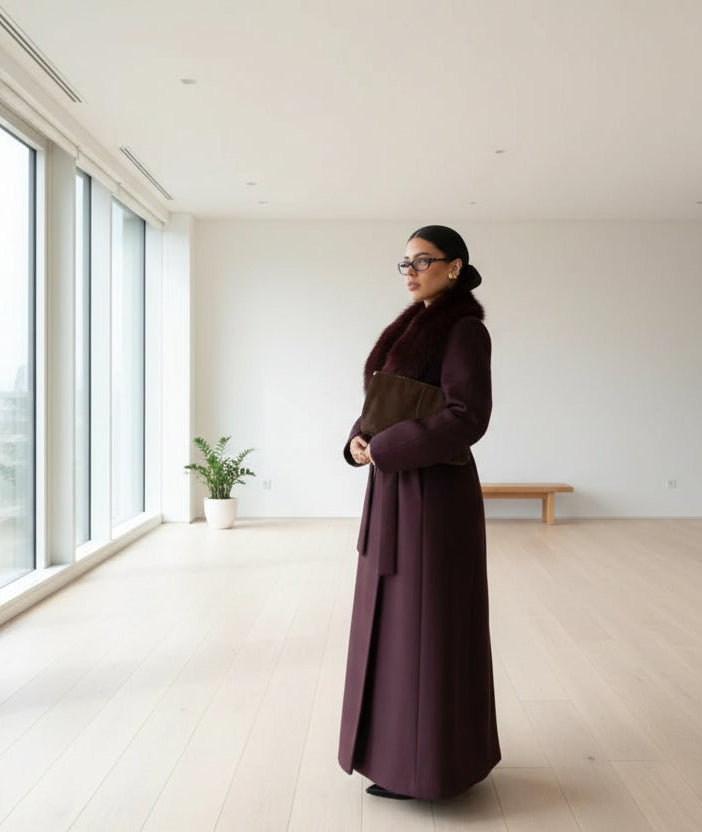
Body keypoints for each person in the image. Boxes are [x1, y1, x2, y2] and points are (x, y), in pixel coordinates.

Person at [338, 225, 500, 801]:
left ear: (454, 267)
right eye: (404, 263)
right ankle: (397, 758)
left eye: (422, 261)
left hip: (435, 500)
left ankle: (433, 767)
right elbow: (383, 406)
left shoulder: (463, 330)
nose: (410, 271)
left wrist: (386, 447)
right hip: (394, 491)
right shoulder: (409, 328)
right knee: (395, 627)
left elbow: (466, 415)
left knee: (428, 627)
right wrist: (360, 438)